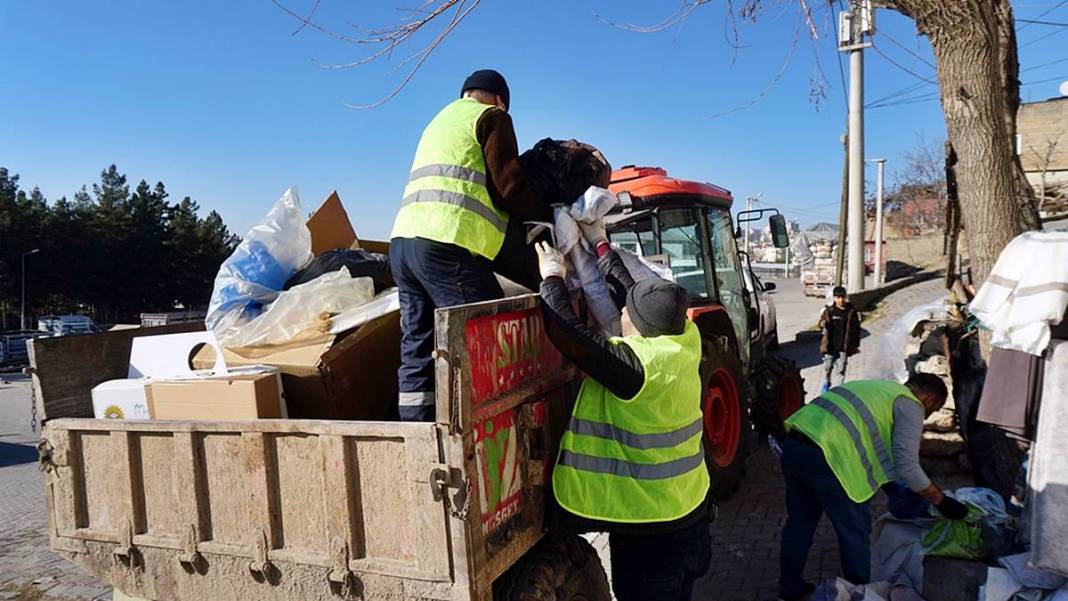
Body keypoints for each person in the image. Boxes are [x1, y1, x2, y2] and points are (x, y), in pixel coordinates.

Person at [535, 223, 712, 601]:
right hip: (692, 516)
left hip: (652, 538)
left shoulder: (636, 369)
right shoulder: (685, 339)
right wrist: (600, 245)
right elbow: (630, 289)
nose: (623, 315)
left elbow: (568, 334)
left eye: (628, 315)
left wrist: (552, 278)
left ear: (641, 327)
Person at [389, 69, 551, 421]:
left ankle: (417, 433)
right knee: (482, 341)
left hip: (402, 246)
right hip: (447, 244)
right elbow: (507, 187)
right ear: (500, 100)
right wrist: (544, 215)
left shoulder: (439, 120)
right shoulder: (492, 117)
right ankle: (485, 431)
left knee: (417, 348)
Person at [777, 374, 968, 601]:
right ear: (928, 399)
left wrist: (895, 492)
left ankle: (789, 588)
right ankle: (861, 594)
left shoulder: (878, 389)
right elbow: (908, 467)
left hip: (795, 442)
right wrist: (942, 501)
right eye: (934, 409)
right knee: (854, 532)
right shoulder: (910, 405)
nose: (928, 416)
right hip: (830, 456)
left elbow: (879, 450)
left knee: (800, 523)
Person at [819, 286, 861, 392]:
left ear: (845, 297)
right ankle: (826, 383)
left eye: (842, 297)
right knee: (827, 368)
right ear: (834, 298)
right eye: (838, 298)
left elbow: (856, 329)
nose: (840, 300)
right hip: (830, 346)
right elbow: (820, 323)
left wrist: (855, 345)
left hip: (843, 347)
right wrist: (823, 324)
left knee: (840, 370)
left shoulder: (850, 312)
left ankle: (837, 391)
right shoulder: (829, 311)